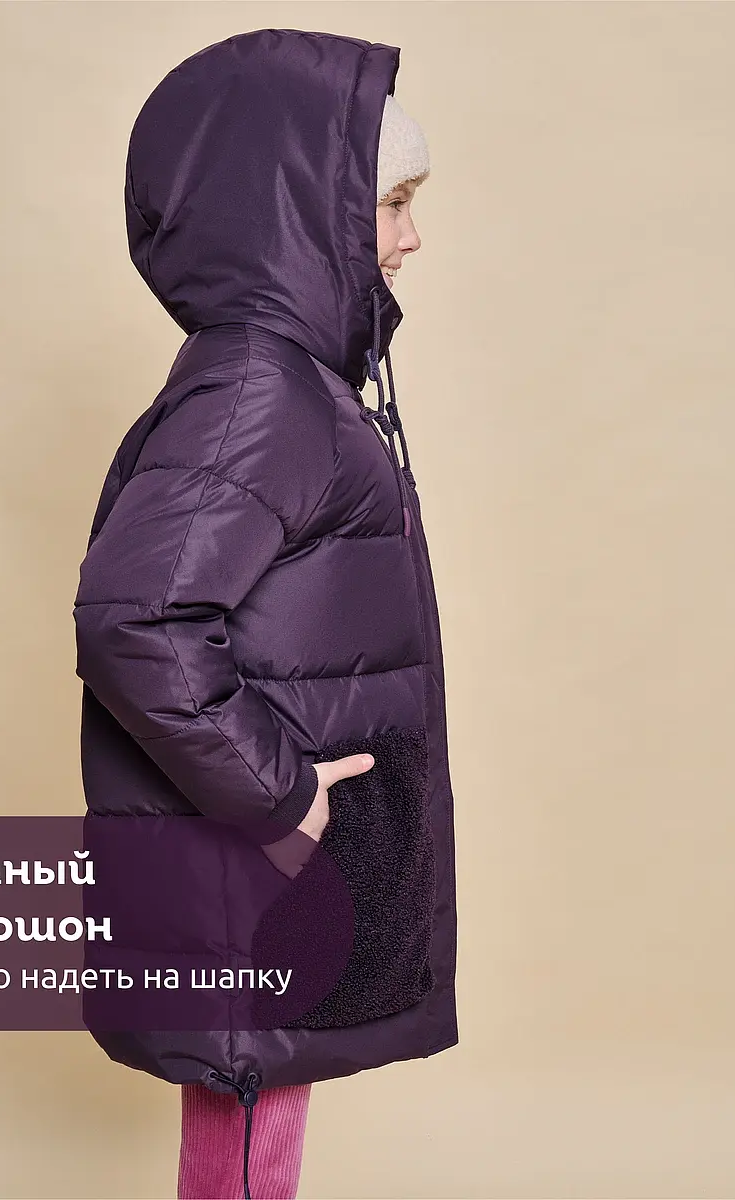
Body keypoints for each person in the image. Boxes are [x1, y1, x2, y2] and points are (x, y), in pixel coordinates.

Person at [73, 28, 459, 1200]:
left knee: (255, 1118)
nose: (412, 237)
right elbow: (138, 620)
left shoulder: (287, 384)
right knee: (249, 1136)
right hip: (255, 867)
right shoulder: (263, 395)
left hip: (265, 874)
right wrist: (282, 794)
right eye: (393, 204)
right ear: (308, 215)